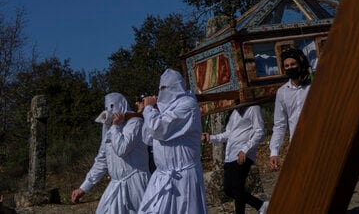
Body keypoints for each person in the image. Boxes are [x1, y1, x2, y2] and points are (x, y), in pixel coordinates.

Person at [138, 69, 207, 214]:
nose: (162, 92)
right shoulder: (163, 109)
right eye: (160, 88)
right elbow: (148, 137)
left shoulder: (188, 105)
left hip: (183, 178)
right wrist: (151, 110)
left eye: (165, 88)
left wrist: (149, 109)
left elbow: (159, 129)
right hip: (162, 176)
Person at [71, 92, 150, 213]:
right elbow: (102, 161)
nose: (109, 110)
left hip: (136, 183)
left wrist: (115, 126)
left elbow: (121, 149)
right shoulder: (109, 130)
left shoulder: (135, 123)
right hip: (116, 185)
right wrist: (84, 188)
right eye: (107, 107)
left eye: (112, 106)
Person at [202, 103, 268, 214]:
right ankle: (260, 205)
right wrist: (211, 138)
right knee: (229, 190)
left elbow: (259, 131)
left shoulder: (253, 108)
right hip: (230, 155)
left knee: (237, 188)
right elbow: (228, 133)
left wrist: (245, 149)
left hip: (244, 154)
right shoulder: (234, 111)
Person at [268, 48, 311, 171]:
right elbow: (280, 125)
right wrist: (274, 152)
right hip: (297, 145)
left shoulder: (313, 85)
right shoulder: (282, 92)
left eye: (293, 64)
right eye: (286, 66)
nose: (290, 68)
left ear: (300, 64)